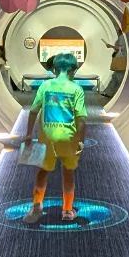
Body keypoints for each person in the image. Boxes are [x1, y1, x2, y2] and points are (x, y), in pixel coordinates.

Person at [22, 52, 87, 224]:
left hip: (47, 138)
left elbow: (33, 111)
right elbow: (81, 120)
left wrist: (29, 133)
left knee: (42, 172)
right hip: (69, 138)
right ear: (74, 71)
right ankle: (67, 210)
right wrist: (81, 141)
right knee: (68, 172)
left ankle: (36, 206)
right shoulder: (76, 89)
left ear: (54, 70)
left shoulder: (45, 86)